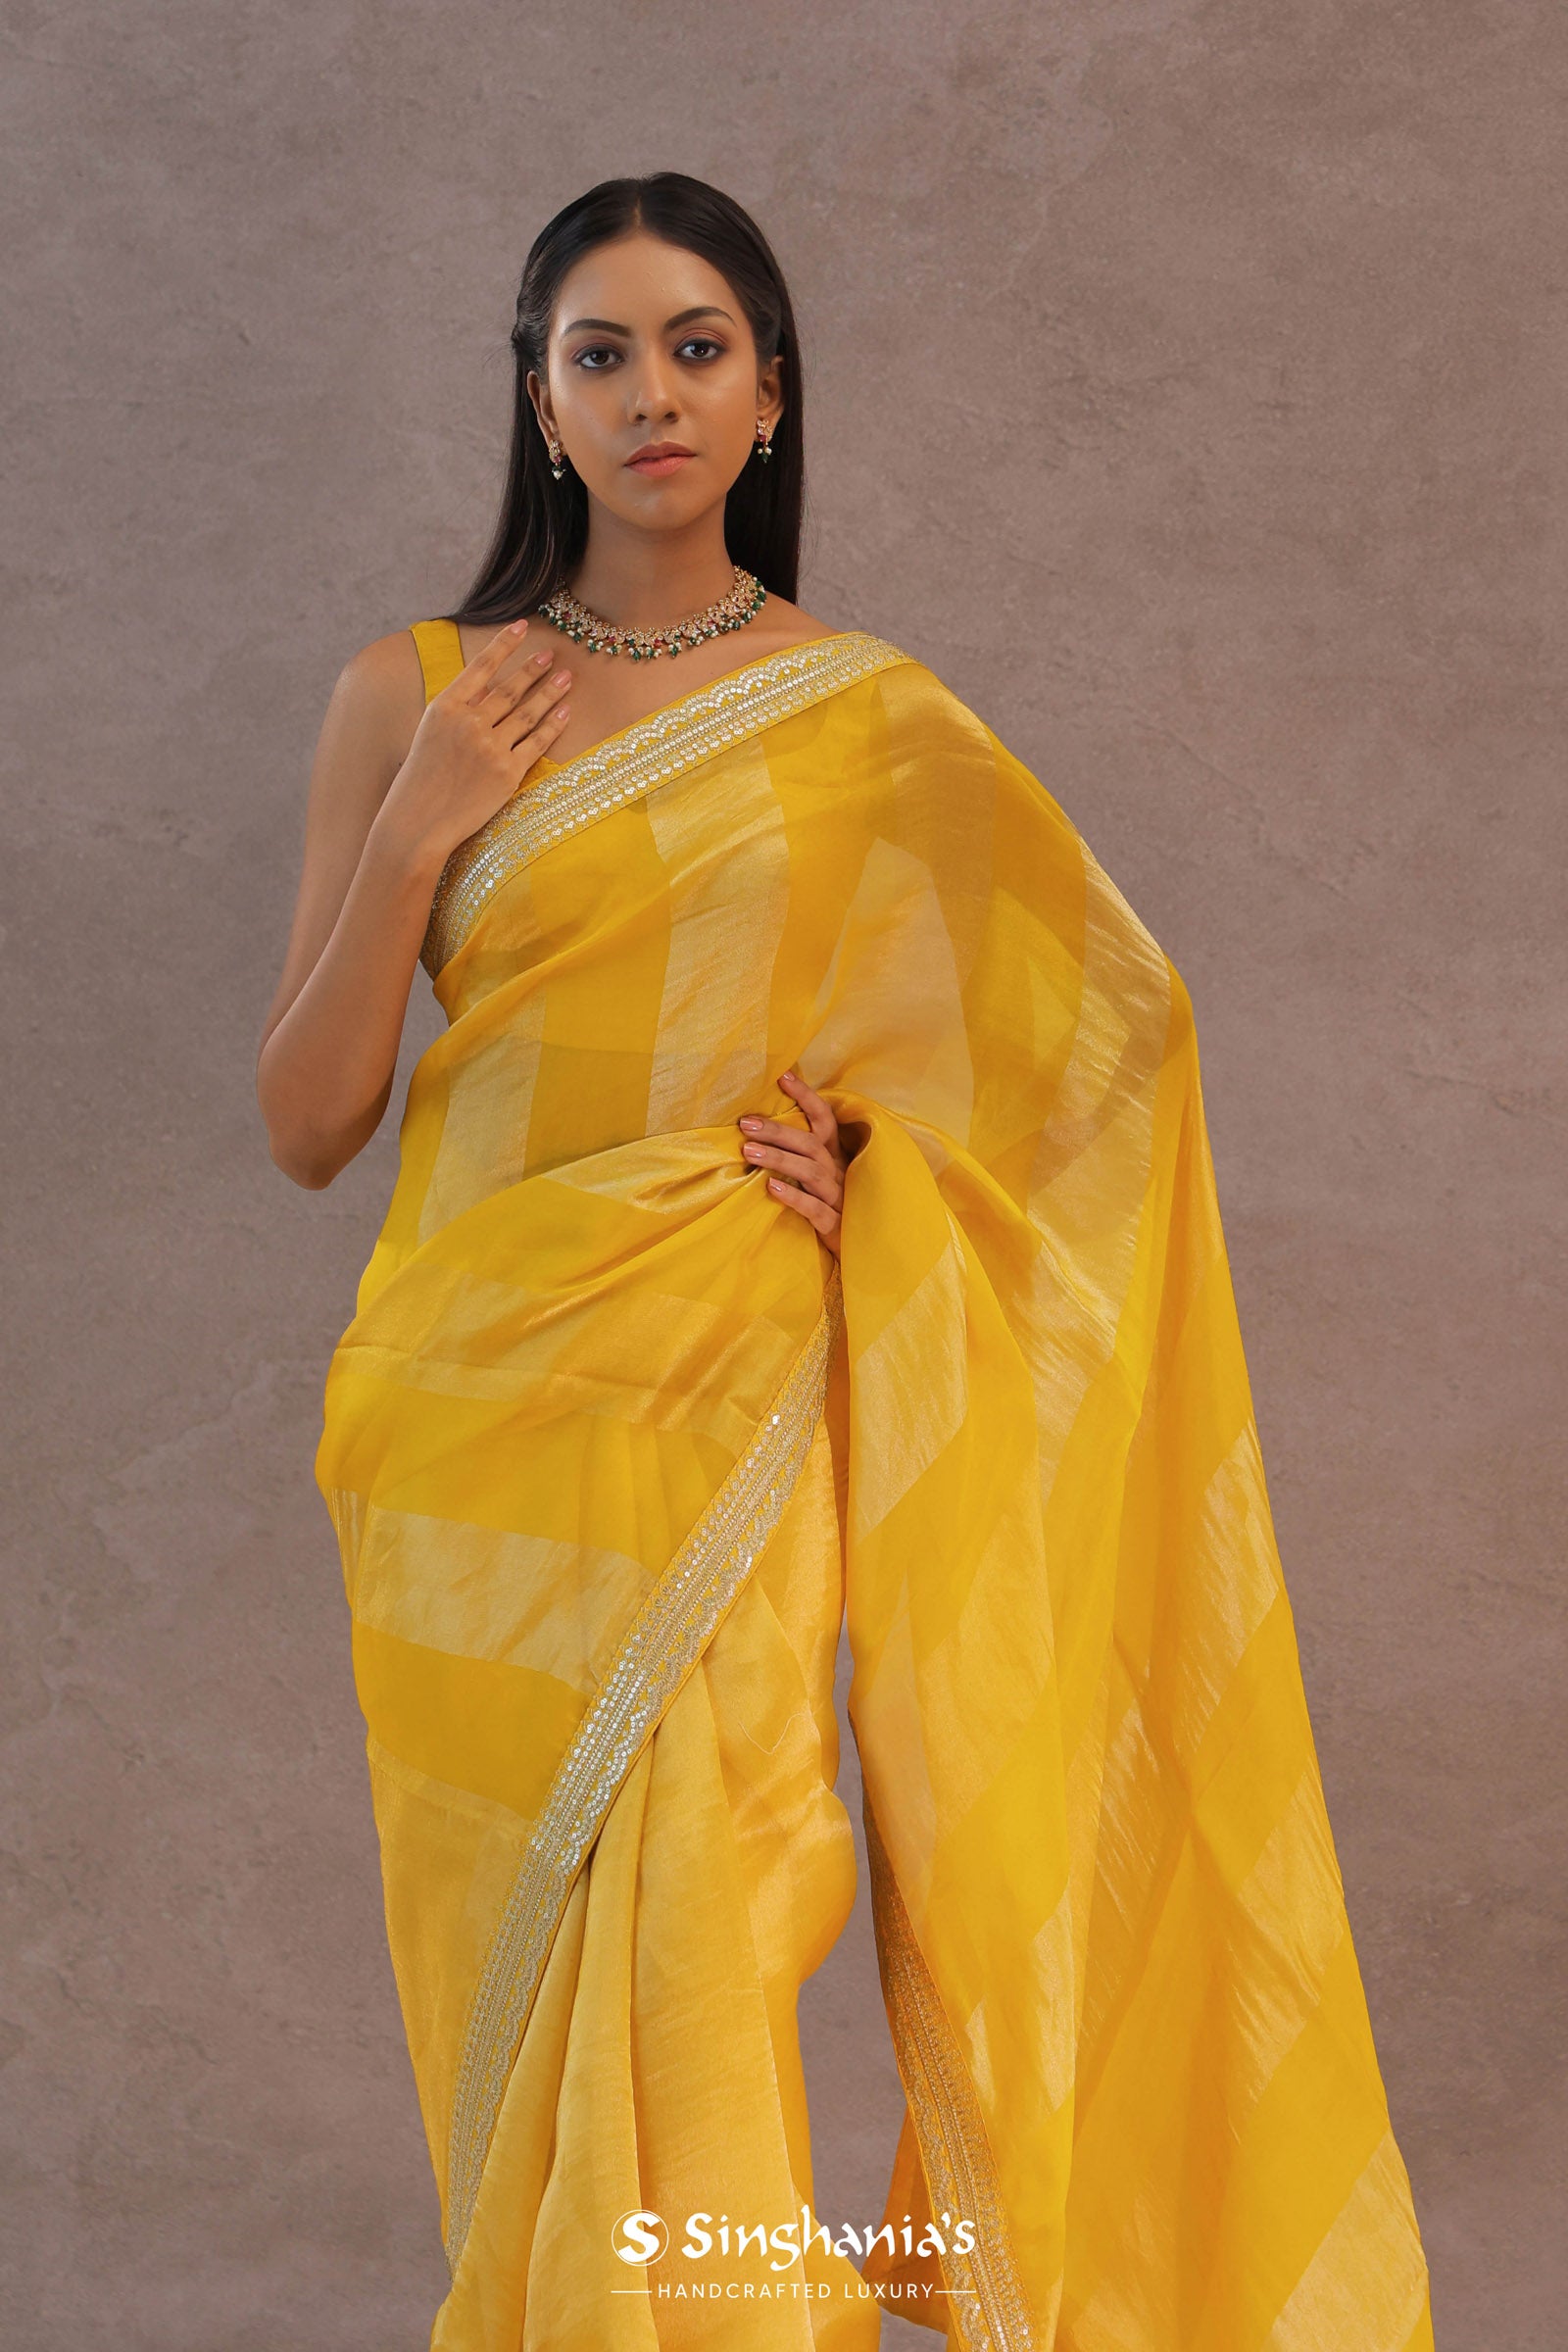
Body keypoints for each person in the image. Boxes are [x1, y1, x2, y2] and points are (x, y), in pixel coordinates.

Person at [258, 172, 1434, 2352]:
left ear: (772, 394)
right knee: (507, 1986)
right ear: (538, 401)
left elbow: (1102, 1052)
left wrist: (879, 1172)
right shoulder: (412, 696)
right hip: (463, 1439)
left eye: (697, 347)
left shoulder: (865, 719)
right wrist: (418, 825)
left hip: (726, 1403)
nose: (652, 394)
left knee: (702, 1929)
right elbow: (308, 1121)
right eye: (601, 353)